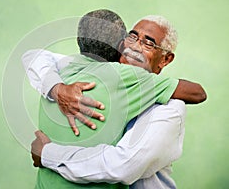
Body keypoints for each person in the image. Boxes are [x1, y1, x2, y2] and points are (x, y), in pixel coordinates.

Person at [23, 10, 206, 188]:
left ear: (166, 59)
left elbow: (120, 166)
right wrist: (58, 89)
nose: (134, 47)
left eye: (148, 44)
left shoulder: (169, 109)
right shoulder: (96, 73)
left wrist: (47, 154)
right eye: (132, 37)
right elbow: (35, 57)